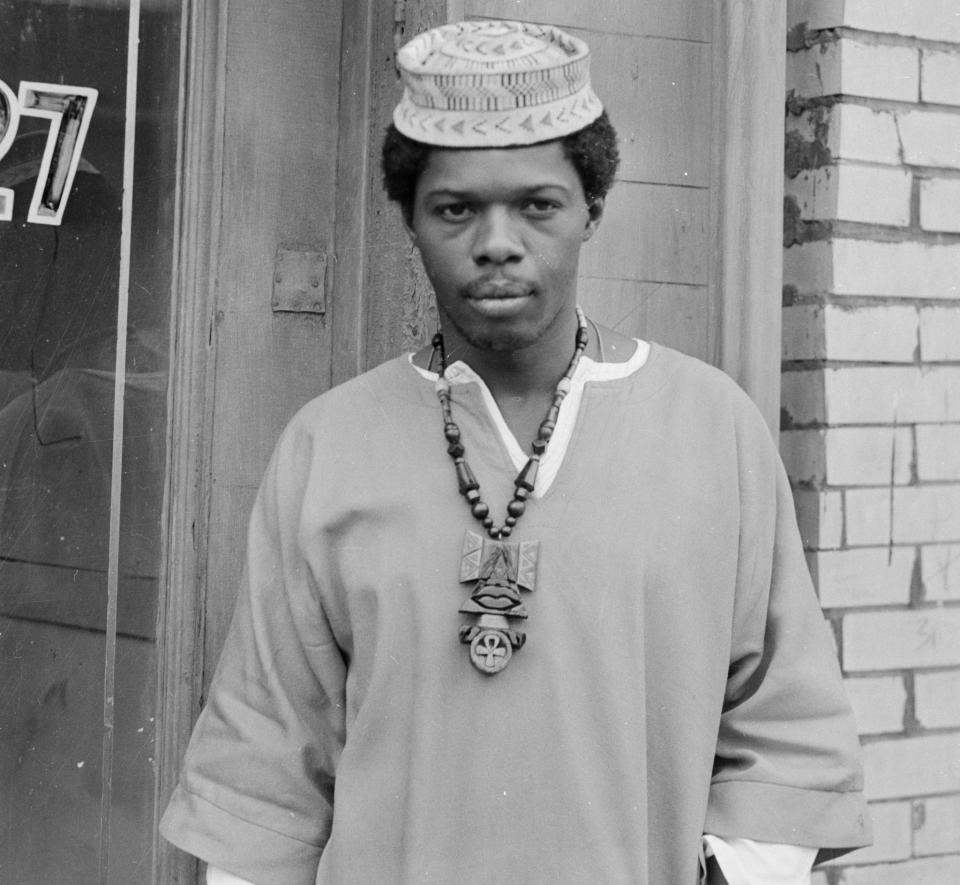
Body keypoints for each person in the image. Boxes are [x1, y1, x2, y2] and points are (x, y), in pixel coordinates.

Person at [160, 20, 871, 884]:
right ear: (411, 220)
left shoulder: (713, 428)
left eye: (537, 204)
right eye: (456, 208)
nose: (497, 241)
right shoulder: (328, 445)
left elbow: (789, 727)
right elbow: (268, 762)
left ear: (592, 209)